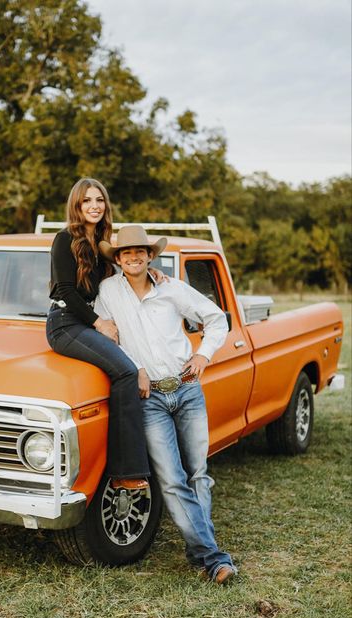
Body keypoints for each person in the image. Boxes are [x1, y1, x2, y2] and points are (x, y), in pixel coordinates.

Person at [95, 225, 237, 584]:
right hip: (149, 397)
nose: (134, 257)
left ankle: (199, 551)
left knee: (198, 474)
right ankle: (213, 558)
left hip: (188, 388)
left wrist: (203, 354)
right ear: (117, 259)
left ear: (150, 255)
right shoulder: (108, 292)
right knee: (172, 480)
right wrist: (135, 367)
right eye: (126, 253)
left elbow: (216, 318)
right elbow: (104, 335)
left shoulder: (171, 288)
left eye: (140, 251)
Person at [46, 178, 151, 489]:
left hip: (87, 320)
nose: (94, 206)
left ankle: (122, 463)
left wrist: (151, 272)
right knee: (125, 372)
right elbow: (65, 289)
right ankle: (125, 473)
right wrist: (99, 323)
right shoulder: (65, 239)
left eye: (99, 200)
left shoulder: (103, 243)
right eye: (86, 201)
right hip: (65, 323)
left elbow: (122, 274)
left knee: (126, 370)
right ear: (76, 206)